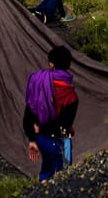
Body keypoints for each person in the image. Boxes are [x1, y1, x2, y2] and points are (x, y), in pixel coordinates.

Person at [24, 45, 78, 182]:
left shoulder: (38, 81)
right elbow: (64, 126)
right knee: (63, 177)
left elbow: (29, 112)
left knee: (46, 171)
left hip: (40, 139)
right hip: (58, 140)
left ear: (51, 64)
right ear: (69, 64)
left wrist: (32, 138)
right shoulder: (71, 95)